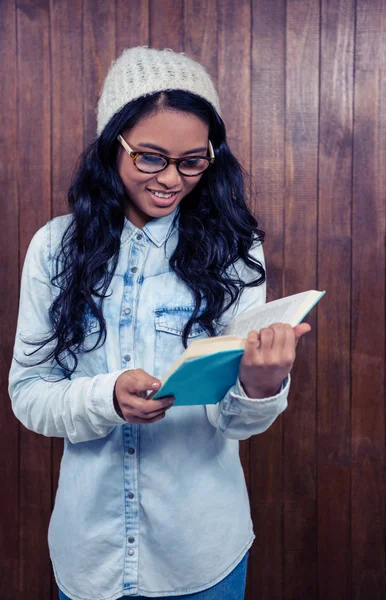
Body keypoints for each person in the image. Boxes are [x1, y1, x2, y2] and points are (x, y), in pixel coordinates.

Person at [8, 47, 311, 600]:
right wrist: (107, 399)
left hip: (200, 556)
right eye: (150, 157)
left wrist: (262, 386)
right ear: (111, 148)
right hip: (88, 555)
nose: (171, 179)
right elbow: (28, 395)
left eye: (193, 161)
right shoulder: (54, 249)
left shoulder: (235, 253)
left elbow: (234, 423)